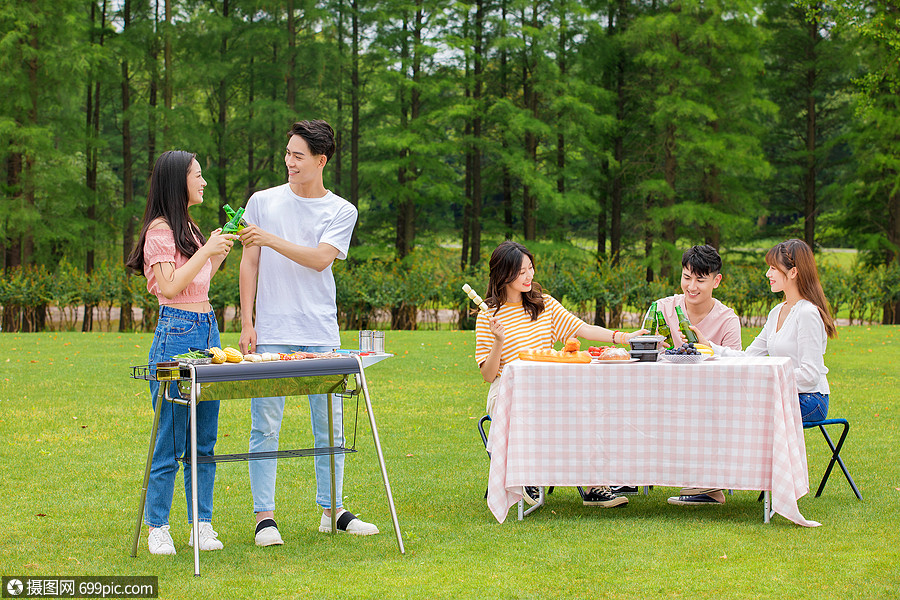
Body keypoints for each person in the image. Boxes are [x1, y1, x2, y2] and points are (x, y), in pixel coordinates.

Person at [238, 119, 377, 546]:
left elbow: (320, 260)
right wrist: (247, 320)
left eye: (298, 156)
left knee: (330, 425)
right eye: (287, 153)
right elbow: (250, 262)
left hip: (319, 328)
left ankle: (332, 510)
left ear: (321, 161)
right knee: (265, 424)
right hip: (272, 329)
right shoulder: (261, 201)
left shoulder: (341, 210)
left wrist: (270, 238)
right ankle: (265, 518)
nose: (289, 162)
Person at [474, 241, 646, 508]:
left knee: (587, 407)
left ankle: (593, 485)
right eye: (521, 272)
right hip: (508, 388)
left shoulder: (544, 306)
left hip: (550, 386)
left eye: (530, 268)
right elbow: (487, 375)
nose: (529, 276)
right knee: (524, 408)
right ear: (503, 274)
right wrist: (498, 340)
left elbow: (583, 329)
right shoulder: (488, 316)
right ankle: (525, 475)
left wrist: (623, 337)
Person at [125, 150, 237, 555]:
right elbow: (171, 288)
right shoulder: (159, 231)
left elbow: (198, 284)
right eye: (198, 176)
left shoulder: (187, 226)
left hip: (206, 331)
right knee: (171, 441)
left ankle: (201, 524)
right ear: (178, 182)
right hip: (176, 333)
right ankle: (158, 526)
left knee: (203, 441)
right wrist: (206, 251)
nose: (204, 182)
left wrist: (217, 251)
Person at [689, 239, 836, 503]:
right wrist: (709, 347)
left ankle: (718, 486)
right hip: (783, 395)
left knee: (744, 411)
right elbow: (748, 358)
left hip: (810, 399)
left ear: (793, 272)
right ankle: (711, 485)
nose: (768, 274)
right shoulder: (776, 312)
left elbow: (811, 375)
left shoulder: (808, 314)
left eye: (773, 268)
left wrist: (773, 383)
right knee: (723, 406)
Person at [623, 245, 742, 505]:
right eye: (687, 277)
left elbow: (735, 370)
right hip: (658, 394)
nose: (692, 286)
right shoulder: (662, 308)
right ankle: (627, 472)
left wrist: (709, 347)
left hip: (708, 400)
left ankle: (709, 485)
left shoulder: (727, 320)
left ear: (716, 281)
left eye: (700, 279)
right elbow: (640, 355)